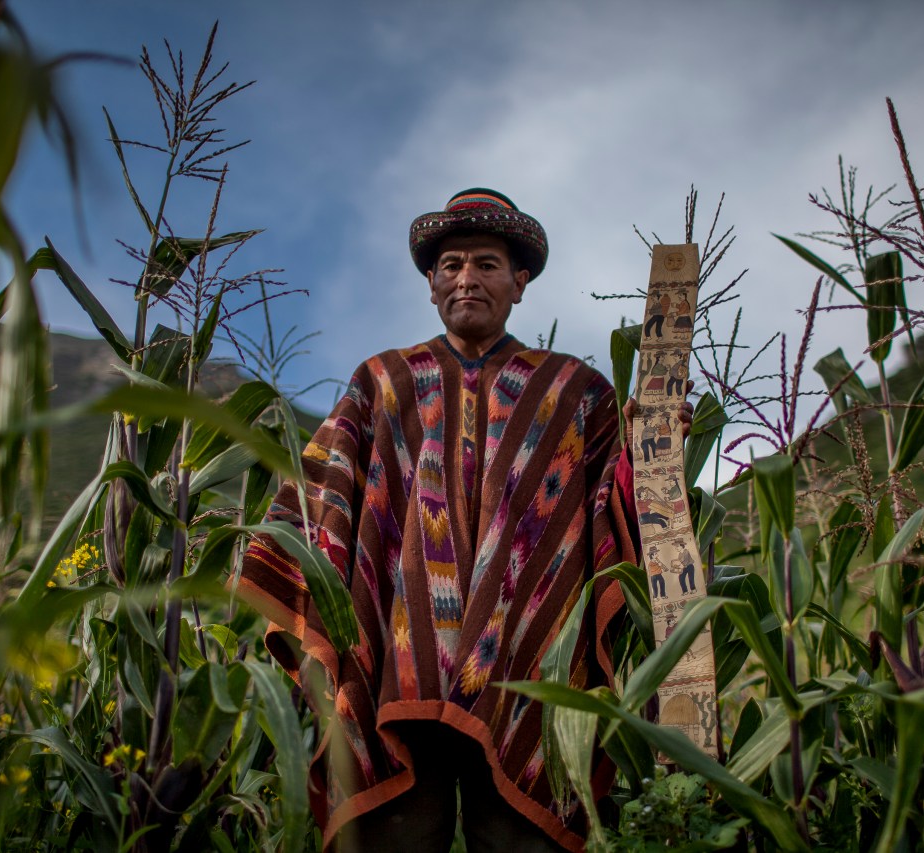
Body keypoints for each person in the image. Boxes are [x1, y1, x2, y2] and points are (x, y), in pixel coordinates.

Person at [237, 188, 691, 852]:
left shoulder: (574, 389)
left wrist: (652, 453)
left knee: (517, 838)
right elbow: (321, 494)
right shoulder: (384, 381)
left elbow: (609, 505)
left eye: (485, 263)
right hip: (400, 663)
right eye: (449, 265)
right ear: (430, 285)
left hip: (524, 669)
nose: (466, 278)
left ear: (520, 282)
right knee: (397, 834)